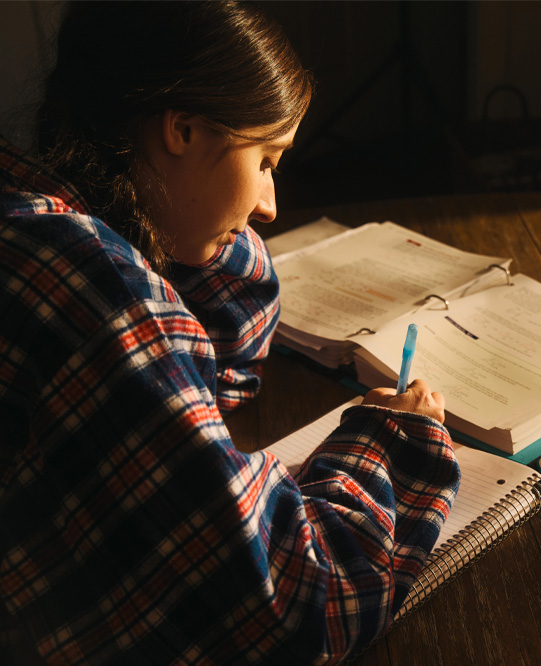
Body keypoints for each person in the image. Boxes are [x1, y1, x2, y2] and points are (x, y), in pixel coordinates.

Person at [0, 2, 460, 664]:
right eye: (266, 158)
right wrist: (387, 443)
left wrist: (213, 227)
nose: (269, 207)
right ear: (181, 129)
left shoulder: (32, 215)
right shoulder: (103, 299)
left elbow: (223, 343)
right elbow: (290, 612)